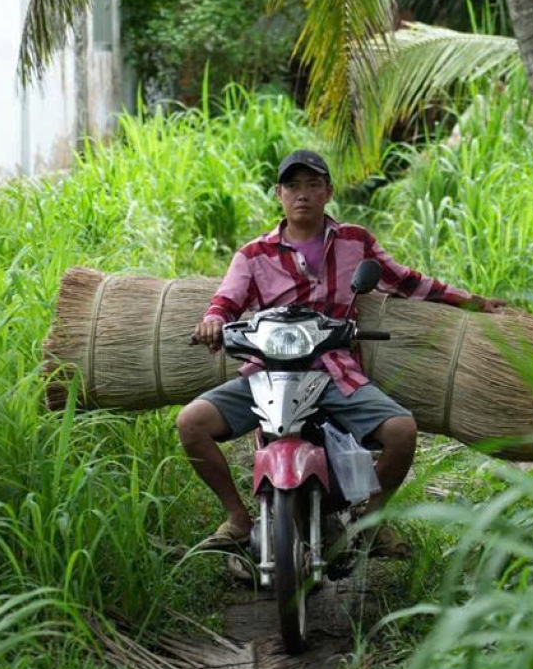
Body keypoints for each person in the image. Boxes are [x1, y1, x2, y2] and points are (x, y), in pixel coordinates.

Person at [177, 150, 505, 557]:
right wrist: (212, 322)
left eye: (313, 185)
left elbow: (406, 281)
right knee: (191, 423)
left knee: (401, 431)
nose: (302, 194)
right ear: (279, 194)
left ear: (328, 192)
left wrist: (472, 301)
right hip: (267, 373)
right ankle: (238, 519)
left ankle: (372, 522)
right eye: (293, 186)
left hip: (334, 372)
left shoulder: (355, 241)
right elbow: (224, 302)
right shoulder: (253, 255)